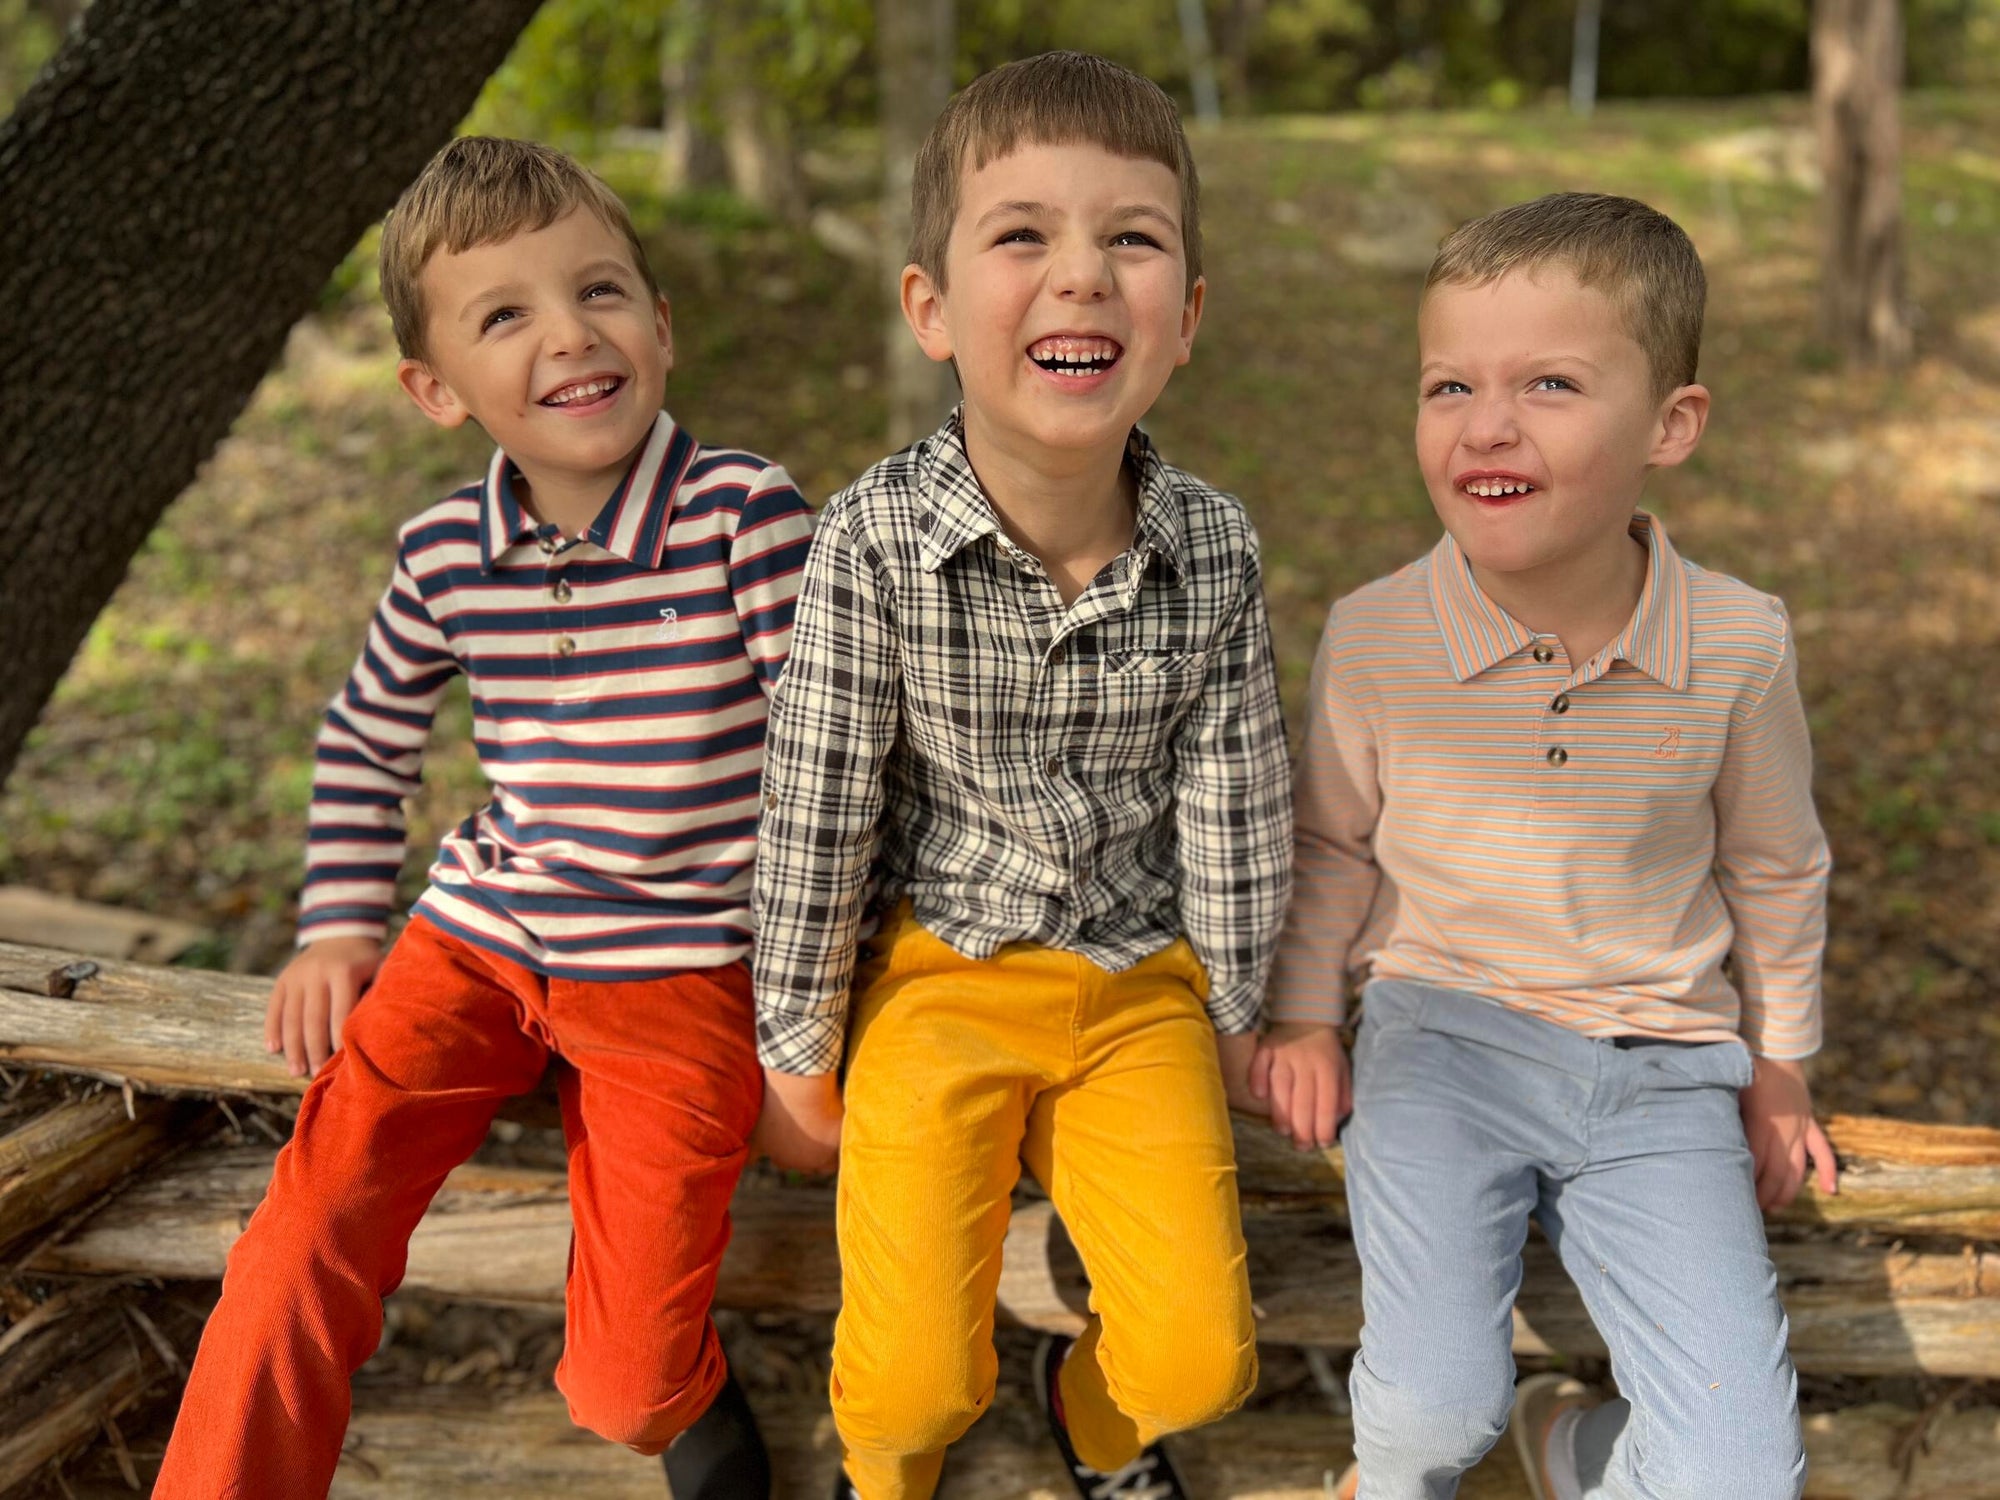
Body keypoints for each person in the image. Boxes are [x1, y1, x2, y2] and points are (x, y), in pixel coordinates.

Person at [152, 136, 815, 1500]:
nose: (570, 335)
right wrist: (339, 925)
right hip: (476, 942)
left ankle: (678, 1387)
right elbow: (367, 730)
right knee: (305, 1226)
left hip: (678, 967)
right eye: (505, 315)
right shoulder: (445, 550)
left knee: (621, 1388)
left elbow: (845, 765)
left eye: (601, 292)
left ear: (661, 324)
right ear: (436, 387)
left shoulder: (745, 515)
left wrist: (806, 1018)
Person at [750, 50, 1293, 1500]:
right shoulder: (869, 541)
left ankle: (1089, 1417)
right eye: (1022, 234)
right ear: (929, 307)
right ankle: (887, 1470)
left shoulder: (1215, 550)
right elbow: (818, 814)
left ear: (1185, 316)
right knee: (916, 1371)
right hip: (940, 976)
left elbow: (1234, 805)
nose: (1082, 277)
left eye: (1132, 237)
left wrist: (1241, 1011)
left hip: (1138, 988)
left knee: (1199, 1363)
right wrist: (798, 1045)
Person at [1255, 192, 1839, 1500]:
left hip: (1664, 1073)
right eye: (1448, 384)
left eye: (1552, 384)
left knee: (1736, 1480)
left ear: (1671, 426)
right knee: (1425, 1420)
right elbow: (1333, 846)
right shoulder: (1379, 634)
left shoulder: (1739, 644)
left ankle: (1574, 1449)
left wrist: (1785, 1064)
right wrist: (1301, 1017)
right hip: (1441, 1044)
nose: (1487, 424)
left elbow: (1775, 866)